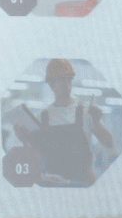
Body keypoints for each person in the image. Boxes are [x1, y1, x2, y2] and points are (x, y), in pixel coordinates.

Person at [23, 58, 114, 187]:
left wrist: (97, 122)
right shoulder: (42, 117)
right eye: (61, 80)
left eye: (68, 80)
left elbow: (109, 143)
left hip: (84, 186)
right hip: (54, 188)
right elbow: (35, 155)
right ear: (51, 84)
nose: (66, 85)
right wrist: (25, 140)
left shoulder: (86, 111)